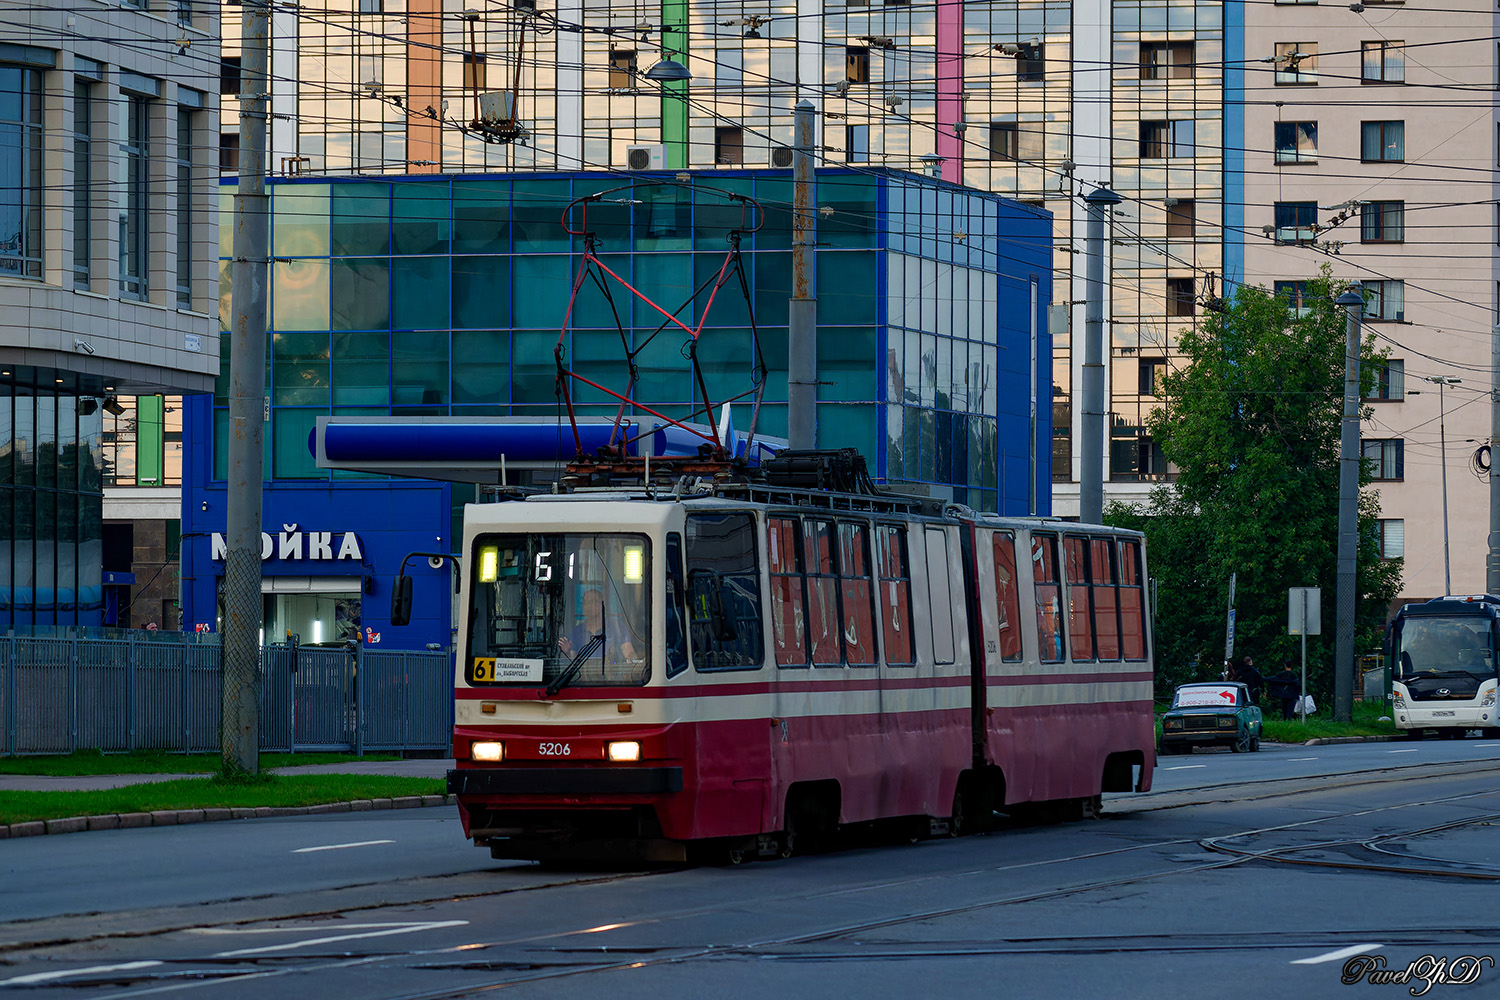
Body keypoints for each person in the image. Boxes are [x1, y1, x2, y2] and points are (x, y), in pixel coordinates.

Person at [558, 588, 638, 663]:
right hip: (583, 676)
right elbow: (573, 660)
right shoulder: (576, 631)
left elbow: (628, 652)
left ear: (601, 604)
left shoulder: (617, 627)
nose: (588, 606)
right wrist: (567, 652)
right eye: (585, 602)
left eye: (592, 602)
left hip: (612, 676)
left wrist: (634, 660)